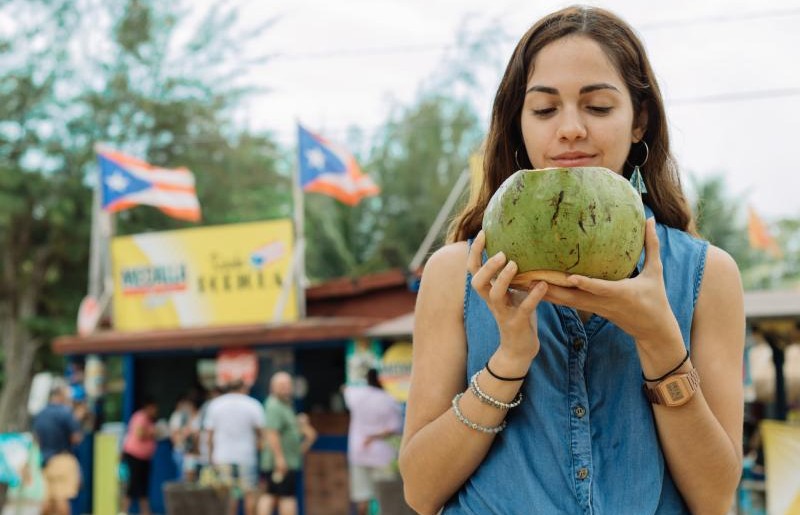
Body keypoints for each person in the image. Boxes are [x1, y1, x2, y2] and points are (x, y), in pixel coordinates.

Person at [398, 6, 745, 514]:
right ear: (518, 125)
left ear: (638, 120)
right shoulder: (458, 273)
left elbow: (715, 498)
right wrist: (509, 360)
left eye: (599, 107)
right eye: (543, 110)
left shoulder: (706, 276)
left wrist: (658, 340)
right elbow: (420, 491)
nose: (570, 129)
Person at [343, 369, 403, 515]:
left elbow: (344, 389)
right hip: (382, 454)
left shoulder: (356, 395)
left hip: (358, 451)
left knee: (362, 498)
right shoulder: (389, 400)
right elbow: (394, 428)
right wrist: (374, 436)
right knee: (384, 497)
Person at [257, 372, 317, 515]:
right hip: (279, 462)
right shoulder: (274, 405)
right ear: (272, 387)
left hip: (288, 459)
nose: (285, 388)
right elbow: (271, 433)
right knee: (282, 497)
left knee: (274, 495)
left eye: (287, 384)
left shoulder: (286, 404)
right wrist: (280, 459)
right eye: (281, 385)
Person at [204, 379, 266, 515]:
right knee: (249, 494)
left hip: (222, 456)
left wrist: (210, 457)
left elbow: (209, 436)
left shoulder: (215, 405)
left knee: (228, 496)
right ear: (244, 388)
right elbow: (262, 434)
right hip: (247, 456)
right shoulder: (253, 404)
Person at [32, 383, 83, 515]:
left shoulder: (40, 414)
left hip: (46, 460)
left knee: (49, 500)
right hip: (63, 458)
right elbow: (76, 438)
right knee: (61, 498)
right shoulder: (65, 413)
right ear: (60, 395)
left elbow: (36, 438)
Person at [120, 396, 158, 515]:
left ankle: (145, 512)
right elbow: (139, 433)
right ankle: (123, 511)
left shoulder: (149, 419)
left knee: (143, 488)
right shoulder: (140, 417)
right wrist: (153, 433)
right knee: (132, 486)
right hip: (134, 456)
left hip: (144, 458)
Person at [168, 392, 201, 481]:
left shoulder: (199, 416)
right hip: (182, 452)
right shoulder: (179, 416)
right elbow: (174, 436)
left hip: (197, 454)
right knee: (183, 479)